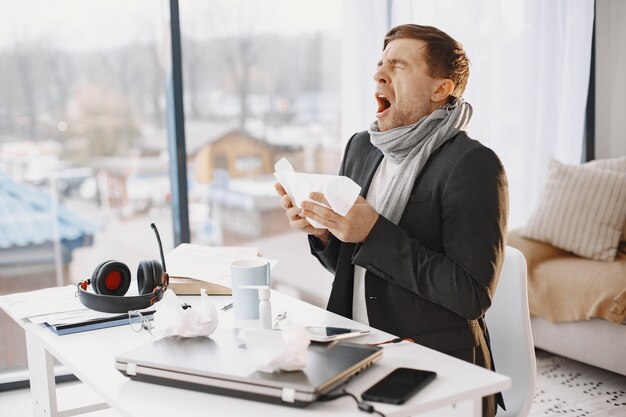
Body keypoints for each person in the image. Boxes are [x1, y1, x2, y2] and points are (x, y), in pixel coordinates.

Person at [275, 24, 508, 417]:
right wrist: (325, 235)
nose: (379, 73)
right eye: (381, 63)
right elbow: (353, 266)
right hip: (357, 346)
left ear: (441, 89)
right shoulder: (362, 147)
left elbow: (470, 294)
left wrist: (372, 233)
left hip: (436, 365)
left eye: (398, 65)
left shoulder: (473, 165)